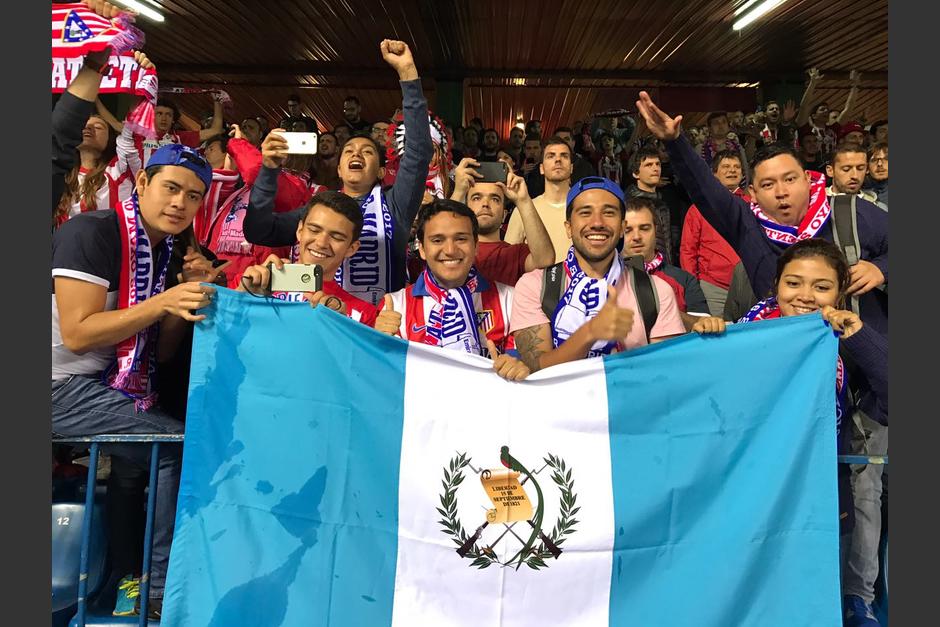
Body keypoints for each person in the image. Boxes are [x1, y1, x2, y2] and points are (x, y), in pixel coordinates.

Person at [53, 143, 216, 619]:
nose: (180, 204)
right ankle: (163, 586)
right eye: (170, 188)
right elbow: (78, 334)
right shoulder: (93, 232)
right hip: (58, 381)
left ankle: (129, 578)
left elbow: (161, 350)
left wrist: (187, 301)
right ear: (142, 183)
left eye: (193, 196)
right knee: (169, 446)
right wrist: (160, 304)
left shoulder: (166, 251)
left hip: (103, 384)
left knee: (139, 455)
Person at [704, 238, 887, 626]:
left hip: (816, 510)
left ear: (839, 293)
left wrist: (858, 333)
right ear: (776, 286)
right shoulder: (738, 337)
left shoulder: (845, 346)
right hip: (742, 506)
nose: (805, 295)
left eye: (821, 287)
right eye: (794, 283)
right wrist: (704, 342)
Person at [637, 90, 888, 337]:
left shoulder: (851, 212)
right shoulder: (747, 224)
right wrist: (675, 142)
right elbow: (706, 191)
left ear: (808, 179)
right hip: (789, 354)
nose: (781, 192)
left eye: (789, 179)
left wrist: (881, 269)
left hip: (862, 356)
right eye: (768, 184)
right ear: (753, 193)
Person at [243, 39, 432, 306]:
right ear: (339, 169)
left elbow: (418, 153)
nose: (356, 153)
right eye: (349, 151)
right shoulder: (318, 210)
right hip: (313, 319)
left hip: (372, 327)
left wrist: (408, 74)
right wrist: (269, 170)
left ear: (380, 171)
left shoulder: (395, 205)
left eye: (367, 152)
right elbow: (258, 231)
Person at [510, 177, 685, 372]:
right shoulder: (535, 286)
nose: (597, 223)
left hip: (624, 401)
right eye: (585, 213)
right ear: (569, 228)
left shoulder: (656, 291)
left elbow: (663, 374)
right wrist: (590, 332)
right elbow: (535, 368)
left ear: (621, 228)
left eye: (609, 213)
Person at [374, 199, 530, 381]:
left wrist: (520, 366)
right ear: (422, 249)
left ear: (476, 246)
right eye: (438, 240)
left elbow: (527, 363)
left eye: (461, 239)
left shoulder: (510, 299)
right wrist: (379, 345)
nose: (450, 250)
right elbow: (382, 381)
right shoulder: (395, 306)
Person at [237, 191, 380, 325]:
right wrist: (241, 297)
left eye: (336, 237)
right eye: (314, 230)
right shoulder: (248, 281)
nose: (321, 243)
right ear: (300, 231)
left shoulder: (366, 316)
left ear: (352, 248)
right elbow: (218, 332)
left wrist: (340, 329)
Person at [450, 159, 554, 285]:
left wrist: (523, 200)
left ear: (504, 214)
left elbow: (545, 260)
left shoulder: (515, 254)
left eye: (495, 199)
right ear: (466, 208)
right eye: (477, 198)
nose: (485, 204)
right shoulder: (452, 250)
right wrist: (458, 192)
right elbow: (441, 239)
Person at [680, 151, 749, 317]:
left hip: (748, 284)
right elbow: (688, 250)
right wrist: (693, 287)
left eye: (736, 167)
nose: (732, 170)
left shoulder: (753, 205)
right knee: (716, 337)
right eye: (726, 167)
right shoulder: (699, 208)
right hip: (713, 286)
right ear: (714, 173)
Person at [623, 196, 710, 328]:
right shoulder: (606, 279)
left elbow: (705, 326)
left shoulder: (683, 279)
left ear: (656, 229)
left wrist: (662, 309)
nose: (636, 237)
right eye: (627, 230)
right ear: (618, 232)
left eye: (644, 228)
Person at [505, 136, 574, 263]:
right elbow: (509, 261)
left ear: (571, 168)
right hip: (536, 282)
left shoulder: (585, 208)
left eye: (564, 156)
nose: (558, 160)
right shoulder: (524, 209)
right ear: (541, 168)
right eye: (551, 156)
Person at [625, 145, 675, 264]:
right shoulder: (629, 206)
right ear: (636, 173)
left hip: (665, 269)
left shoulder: (662, 204)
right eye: (649, 165)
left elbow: (667, 245)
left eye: (658, 164)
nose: (655, 168)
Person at [795, 68, 861, 157]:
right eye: (822, 109)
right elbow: (803, 107)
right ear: (813, 116)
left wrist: (854, 86)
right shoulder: (806, 129)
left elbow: (848, 109)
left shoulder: (832, 130)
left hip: (830, 166)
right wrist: (812, 83)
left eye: (827, 109)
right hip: (810, 165)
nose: (826, 111)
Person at [862, 142, 888, 210]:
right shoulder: (860, 194)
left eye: (886, 159)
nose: (879, 164)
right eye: (874, 160)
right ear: (867, 167)